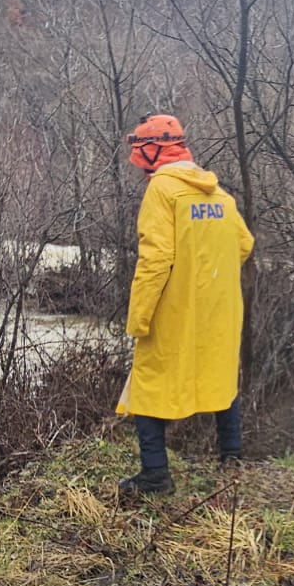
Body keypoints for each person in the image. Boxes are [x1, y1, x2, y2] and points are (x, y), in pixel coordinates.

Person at [115, 114, 254, 496]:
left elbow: (155, 260)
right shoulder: (218, 194)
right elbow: (244, 244)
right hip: (219, 311)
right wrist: (208, 276)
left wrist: (139, 318)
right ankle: (232, 457)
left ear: (151, 152)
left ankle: (155, 475)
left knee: (148, 384)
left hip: (175, 311)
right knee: (220, 376)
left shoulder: (162, 190)